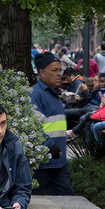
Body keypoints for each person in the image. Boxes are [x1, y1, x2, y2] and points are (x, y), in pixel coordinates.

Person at [29, 52, 74, 196]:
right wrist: (49, 145)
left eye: (60, 70)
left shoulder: (54, 93)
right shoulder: (35, 95)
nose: (59, 74)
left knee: (68, 202)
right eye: (54, 70)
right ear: (42, 72)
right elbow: (33, 127)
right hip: (42, 163)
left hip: (59, 162)